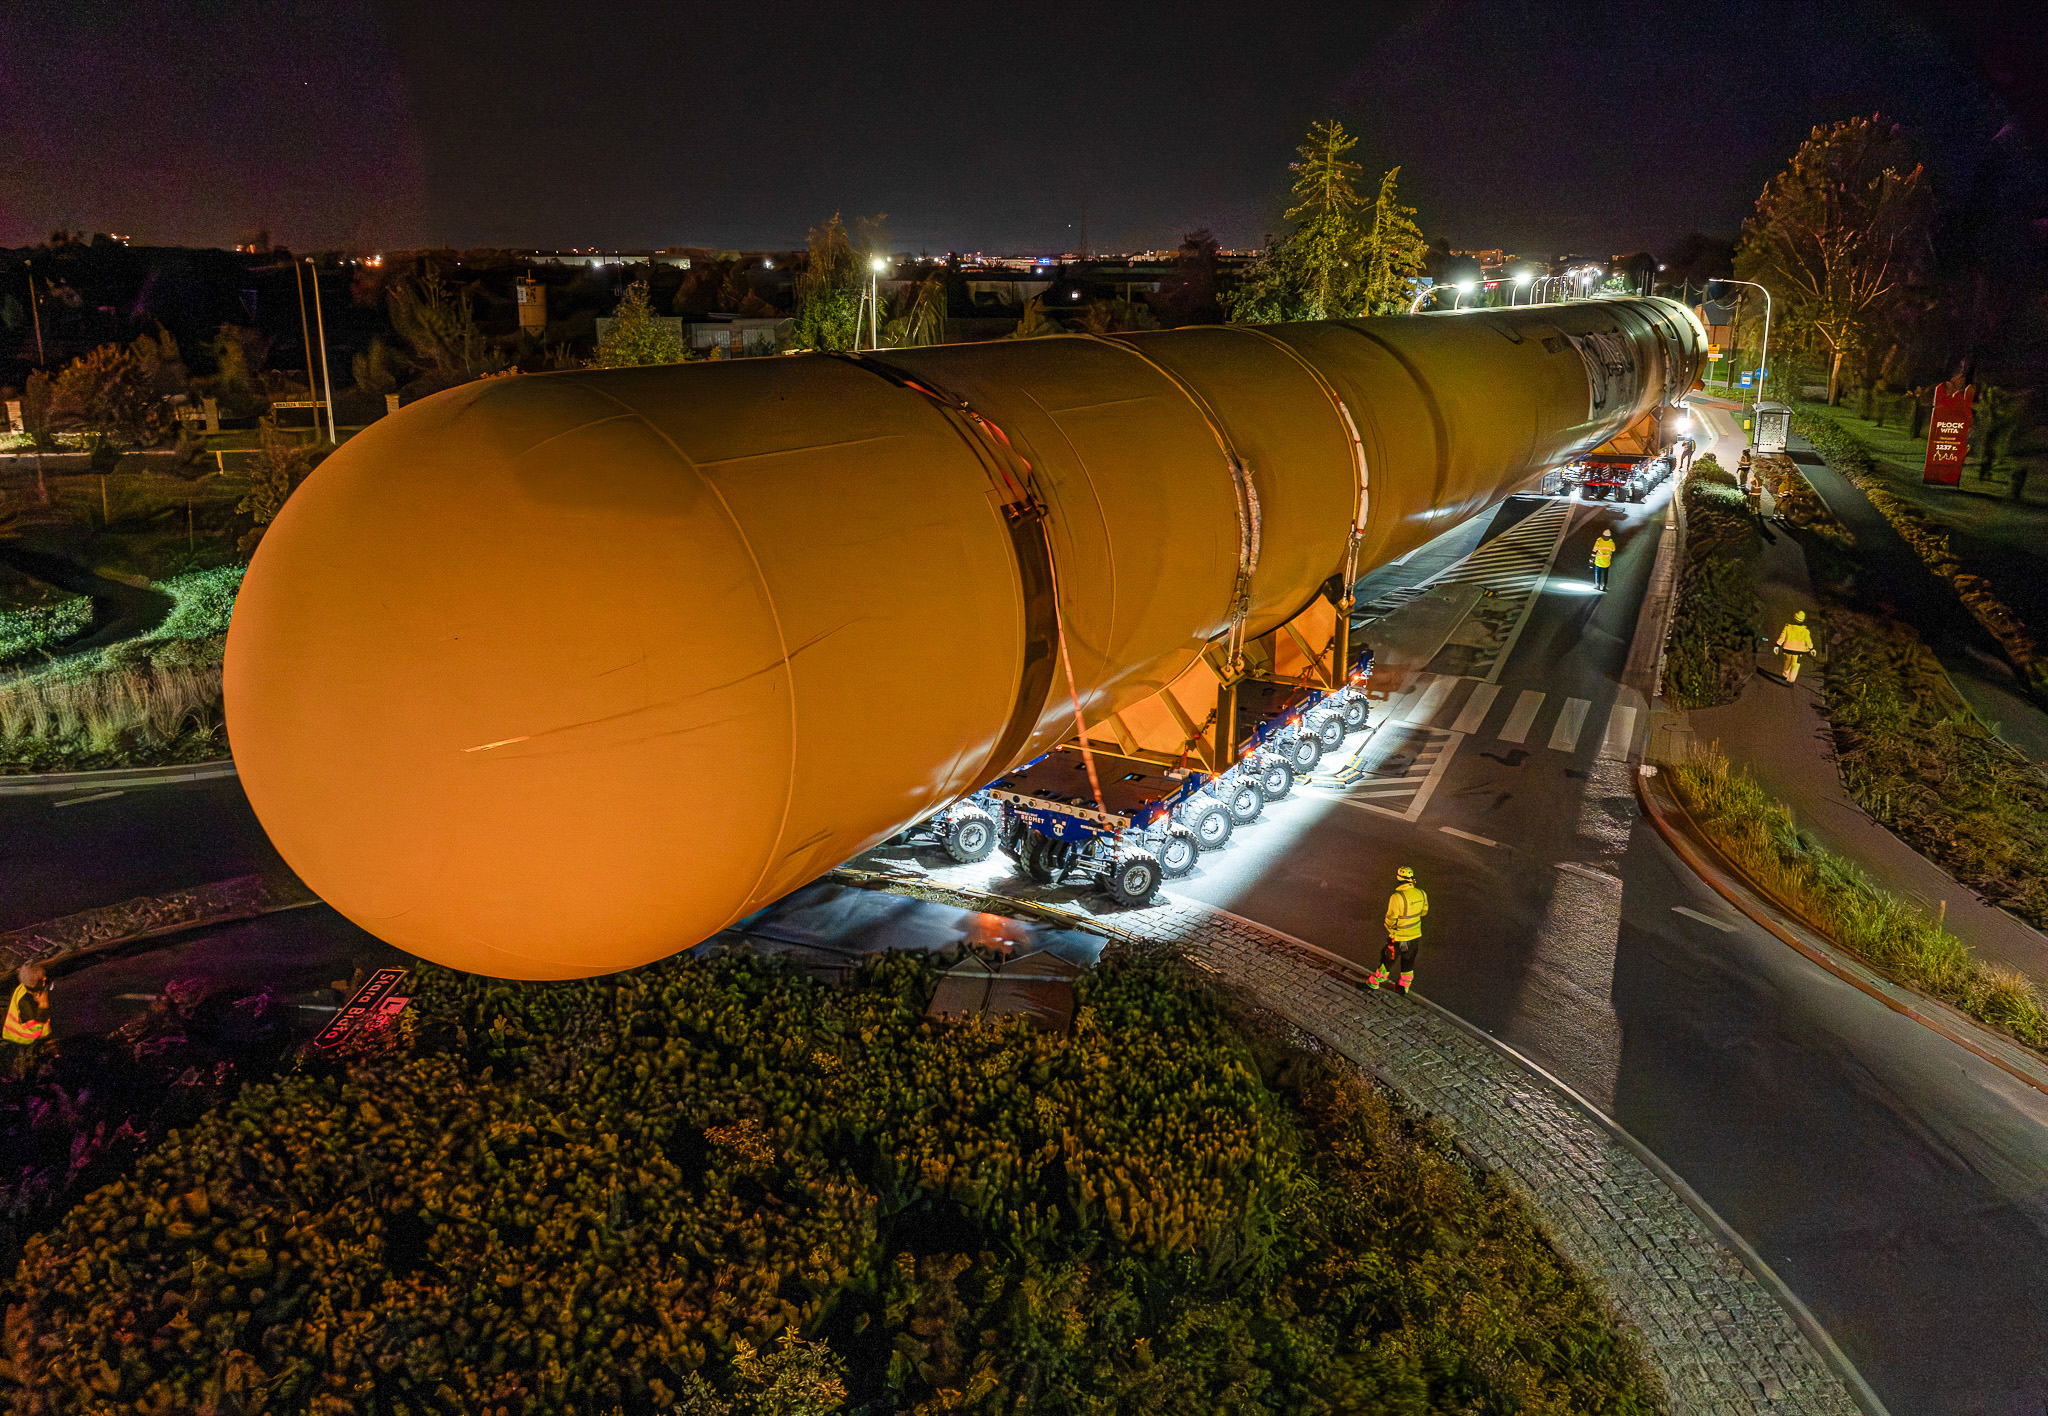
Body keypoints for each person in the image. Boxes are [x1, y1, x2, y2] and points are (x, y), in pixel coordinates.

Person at [1367, 866, 1429, 994]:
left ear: (1399, 879)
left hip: (1399, 937)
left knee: (1388, 960)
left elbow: (1391, 918)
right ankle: (1404, 987)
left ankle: (1374, 982)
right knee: (1408, 963)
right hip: (1415, 936)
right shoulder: (1421, 893)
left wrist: (1391, 930)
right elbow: (1424, 912)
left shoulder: (1397, 897)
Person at [4, 962, 52, 1076]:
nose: (45, 978)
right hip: (24, 1037)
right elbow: (34, 1029)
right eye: (43, 979)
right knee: (35, 1053)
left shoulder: (24, 987)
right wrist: (43, 1005)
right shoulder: (26, 1004)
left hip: (13, 1032)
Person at [1775, 609, 1815, 683]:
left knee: (1787, 662)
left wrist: (1777, 645)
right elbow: (1808, 640)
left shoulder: (1788, 626)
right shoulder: (1805, 629)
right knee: (1795, 665)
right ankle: (1790, 680)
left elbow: (1782, 636)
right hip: (1799, 651)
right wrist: (1811, 648)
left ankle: (1785, 675)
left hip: (1787, 648)